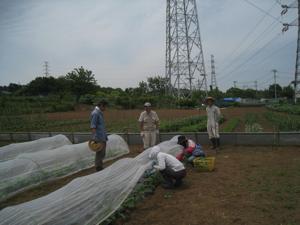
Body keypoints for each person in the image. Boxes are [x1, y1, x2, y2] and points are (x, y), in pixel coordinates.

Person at [90, 100, 108, 171]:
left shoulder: (99, 113)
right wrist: (95, 138)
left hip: (102, 136)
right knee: (100, 153)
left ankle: (100, 166)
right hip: (99, 137)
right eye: (105, 107)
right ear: (101, 105)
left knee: (102, 153)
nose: (105, 109)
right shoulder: (95, 113)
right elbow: (93, 126)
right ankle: (98, 167)